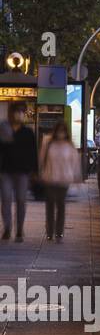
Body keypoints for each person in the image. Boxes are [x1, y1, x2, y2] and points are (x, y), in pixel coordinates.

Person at [39, 122, 80, 243]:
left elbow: (75, 162)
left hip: (64, 179)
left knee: (61, 205)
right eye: (59, 130)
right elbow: (42, 159)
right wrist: (39, 173)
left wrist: (77, 177)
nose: (61, 133)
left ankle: (59, 232)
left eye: (63, 130)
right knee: (50, 204)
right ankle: (49, 231)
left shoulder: (70, 145)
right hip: (49, 178)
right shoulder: (48, 143)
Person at [2, 104, 38, 242]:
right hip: (5, 170)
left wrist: (34, 171)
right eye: (16, 112)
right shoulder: (3, 129)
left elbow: (33, 152)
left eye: (21, 112)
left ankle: (19, 229)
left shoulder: (27, 132)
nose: (18, 115)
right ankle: (7, 228)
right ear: (10, 114)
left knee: (21, 200)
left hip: (23, 172)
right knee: (5, 199)